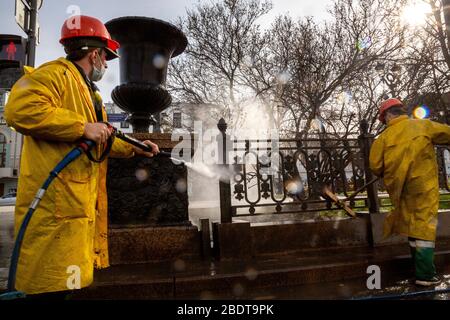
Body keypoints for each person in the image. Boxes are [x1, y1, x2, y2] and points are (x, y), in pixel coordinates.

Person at [4, 15, 160, 298]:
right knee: (47, 287)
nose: (105, 63)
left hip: (74, 213)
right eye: (105, 56)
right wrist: (81, 127)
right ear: (95, 53)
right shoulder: (55, 74)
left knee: (66, 286)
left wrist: (134, 146)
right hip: (54, 211)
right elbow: (19, 110)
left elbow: (102, 139)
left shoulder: (90, 93)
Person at [369, 98, 450, 286]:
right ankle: (425, 275)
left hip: (400, 190)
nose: (385, 122)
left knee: (413, 226)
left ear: (389, 115)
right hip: (423, 186)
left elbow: (375, 166)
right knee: (423, 227)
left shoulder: (383, 139)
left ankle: (419, 269)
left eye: (384, 119)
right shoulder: (423, 126)